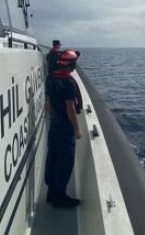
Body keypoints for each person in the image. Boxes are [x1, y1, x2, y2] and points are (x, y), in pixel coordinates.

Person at [44, 49, 83, 208]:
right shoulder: (68, 83)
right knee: (64, 161)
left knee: (52, 157)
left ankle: (51, 193)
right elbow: (70, 108)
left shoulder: (50, 78)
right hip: (65, 126)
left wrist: (53, 118)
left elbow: (49, 103)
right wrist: (77, 129)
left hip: (54, 124)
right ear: (70, 65)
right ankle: (60, 197)